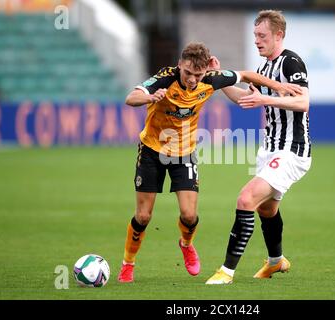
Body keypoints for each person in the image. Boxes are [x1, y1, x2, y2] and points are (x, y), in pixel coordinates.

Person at [117, 42, 302, 283]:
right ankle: (128, 264)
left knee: (189, 215)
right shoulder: (165, 78)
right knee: (143, 217)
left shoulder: (211, 79)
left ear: (205, 71)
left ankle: (186, 244)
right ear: (180, 65)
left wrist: (278, 86)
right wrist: (150, 97)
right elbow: (131, 97)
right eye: (188, 73)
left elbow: (245, 74)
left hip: (184, 153)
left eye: (198, 74)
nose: (193, 79)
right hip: (152, 150)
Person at [206, 10, 311, 285]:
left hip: (291, 149)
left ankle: (226, 272)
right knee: (267, 210)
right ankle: (276, 262)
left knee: (246, 199)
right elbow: (245, 99)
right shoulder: (265, 69)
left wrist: (267, 101)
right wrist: (219, 80)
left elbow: (303, 102)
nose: (256, 40)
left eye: (262, 35)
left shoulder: (291, 62)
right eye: (255, 35)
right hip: (269, 149)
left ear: (279, 35)